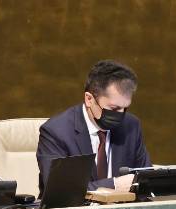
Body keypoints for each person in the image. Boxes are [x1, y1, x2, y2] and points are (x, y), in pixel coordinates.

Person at [37, 59, 151, 196]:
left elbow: (146, 179)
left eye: (125, 108)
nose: (120, 116)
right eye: (114, 109)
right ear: (89, 99)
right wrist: (114, 185)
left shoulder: (131, 126)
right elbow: (59, 190)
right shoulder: (56, 132)